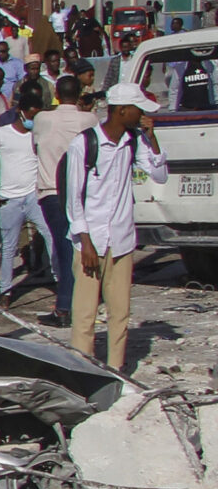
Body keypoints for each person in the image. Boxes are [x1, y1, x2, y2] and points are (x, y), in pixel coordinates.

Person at [63, 80, 169, 371]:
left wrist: (151, 135)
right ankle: (82, 370)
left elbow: (160, 175)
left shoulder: (133, 141)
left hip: (121, 240)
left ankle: (116, 371)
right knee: (84, 314)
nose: (143, 116)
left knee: (119, 313)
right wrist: (84, 241)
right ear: (122, 111)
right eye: (139, 111)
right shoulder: (84, 143)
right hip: (90, 241)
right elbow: (74, 199)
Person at [32, 75, 92, 327]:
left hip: (51, 192)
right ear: (79, 93)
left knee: (64, 248)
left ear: (56, 92)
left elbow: (36, 147)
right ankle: (77, 302)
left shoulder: (42, 118)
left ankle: (66, 306)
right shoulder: (90, 119)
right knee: (77, 247)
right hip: (82, 192)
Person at [0, 81, 51, 306]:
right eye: (32, 114)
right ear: (21, 112)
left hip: (33, 196)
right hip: (8, 199)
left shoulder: (38, 135)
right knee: (9, 246)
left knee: (50, 235)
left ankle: (60, 280)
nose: (34, 119)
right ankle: (5, 290)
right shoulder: (0, 134)